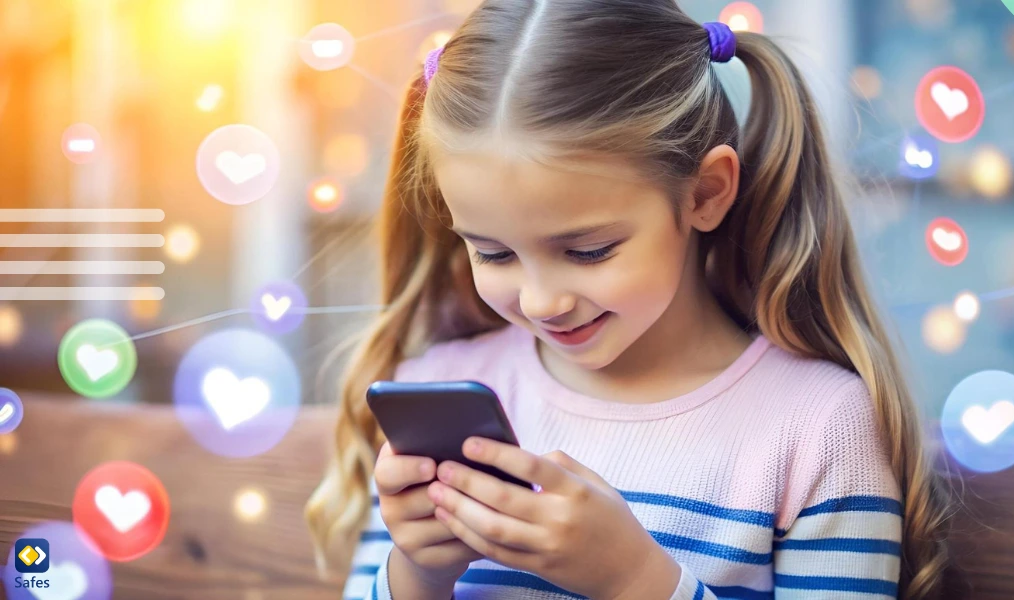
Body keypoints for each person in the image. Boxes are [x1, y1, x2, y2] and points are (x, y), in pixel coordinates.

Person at [306, 1, 951, 598]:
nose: (541, 300)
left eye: (588, 251)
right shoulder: (438, 389)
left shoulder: (817, 431)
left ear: (704, 194)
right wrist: (417, 569)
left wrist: (634, 578)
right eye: (494, 253)